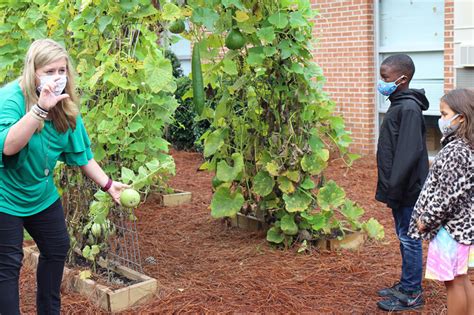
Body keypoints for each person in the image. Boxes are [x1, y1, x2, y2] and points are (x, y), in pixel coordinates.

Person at [0, 39, 129, 314]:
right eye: (49, 71)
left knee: (57, 246)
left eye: (62, 70)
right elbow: (9, 146)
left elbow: (82, 154)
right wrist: (40, 109)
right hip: (5, 196)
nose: (57, 77)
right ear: (32, 71)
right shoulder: (11, 98)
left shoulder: (65, 104)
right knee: (8, 264)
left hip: (40, 193)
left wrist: (108, 184)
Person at [409, 88, 473, 315]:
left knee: (453, 282)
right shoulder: (467, 146)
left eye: (445, 114)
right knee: (461, 277)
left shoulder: (455, 151)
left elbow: (448, 196)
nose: (441, 120)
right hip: (462, 227)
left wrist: (426, 220)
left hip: (450, 229)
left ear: (461, 117)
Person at [374, 54, 429, 311]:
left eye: (385, 78)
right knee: (403, 237)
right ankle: (406, 284)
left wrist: (394, 191)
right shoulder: (399, 104)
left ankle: (412, 293)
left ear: (402, 78)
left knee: (410, 239)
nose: (381, 82)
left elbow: (407, 155)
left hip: (407, 191)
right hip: (399, 190)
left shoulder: (408, 109)